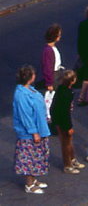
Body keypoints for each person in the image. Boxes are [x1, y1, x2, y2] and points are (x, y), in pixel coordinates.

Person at [13, 65, 50, 194]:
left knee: (37, 157)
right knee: (28, 159)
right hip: (29, 134)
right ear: (30, 77)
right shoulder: (21, 95)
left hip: (40, 129)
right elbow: (25, 115)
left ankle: (33, 180)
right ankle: (29, 184)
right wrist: (34, 132)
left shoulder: (31, 90)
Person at [51, 69, 83, 174]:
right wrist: (69, 127)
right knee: (66, 143)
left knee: (68, 142)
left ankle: (72, 159)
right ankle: (67, 165)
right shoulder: (67, 93)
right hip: (63, 121)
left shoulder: (61, 89)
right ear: (72, 81)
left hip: (58, 118)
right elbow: (65, 113)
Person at [39, 24, 63, 94]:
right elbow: (47, 68)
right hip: (54, 77)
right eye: (59, 35)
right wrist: (49, 83)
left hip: (57, 74)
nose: (60, 36)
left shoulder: (52, 48)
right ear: (54, 36)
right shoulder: (48, 51)